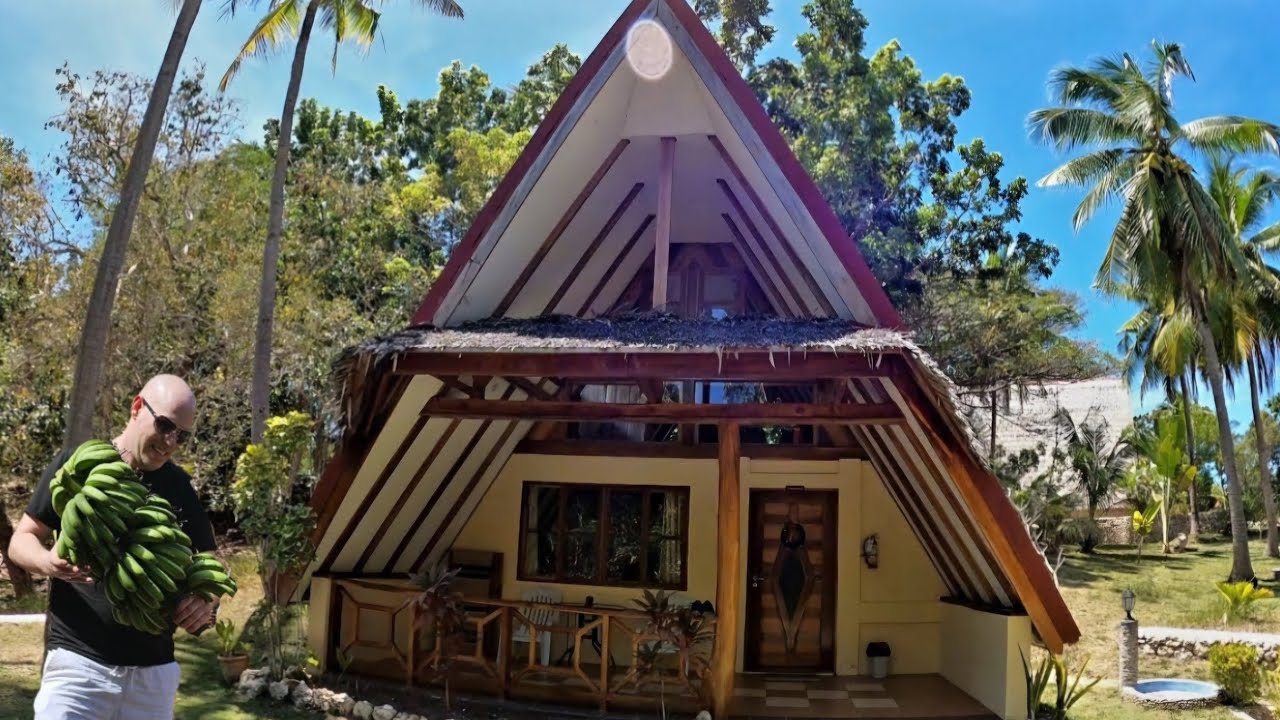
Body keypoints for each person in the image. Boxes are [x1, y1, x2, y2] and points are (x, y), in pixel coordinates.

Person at [7, 374, 219, 720]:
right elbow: (21, 539)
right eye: (165, 425)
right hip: (78, 668)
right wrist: (47, 562)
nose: (170, 442)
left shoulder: (179, 486)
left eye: (182, 435)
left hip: (153, 678)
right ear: (137, 407)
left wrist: (207, 600)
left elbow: (209, 560)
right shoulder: (80, 466)